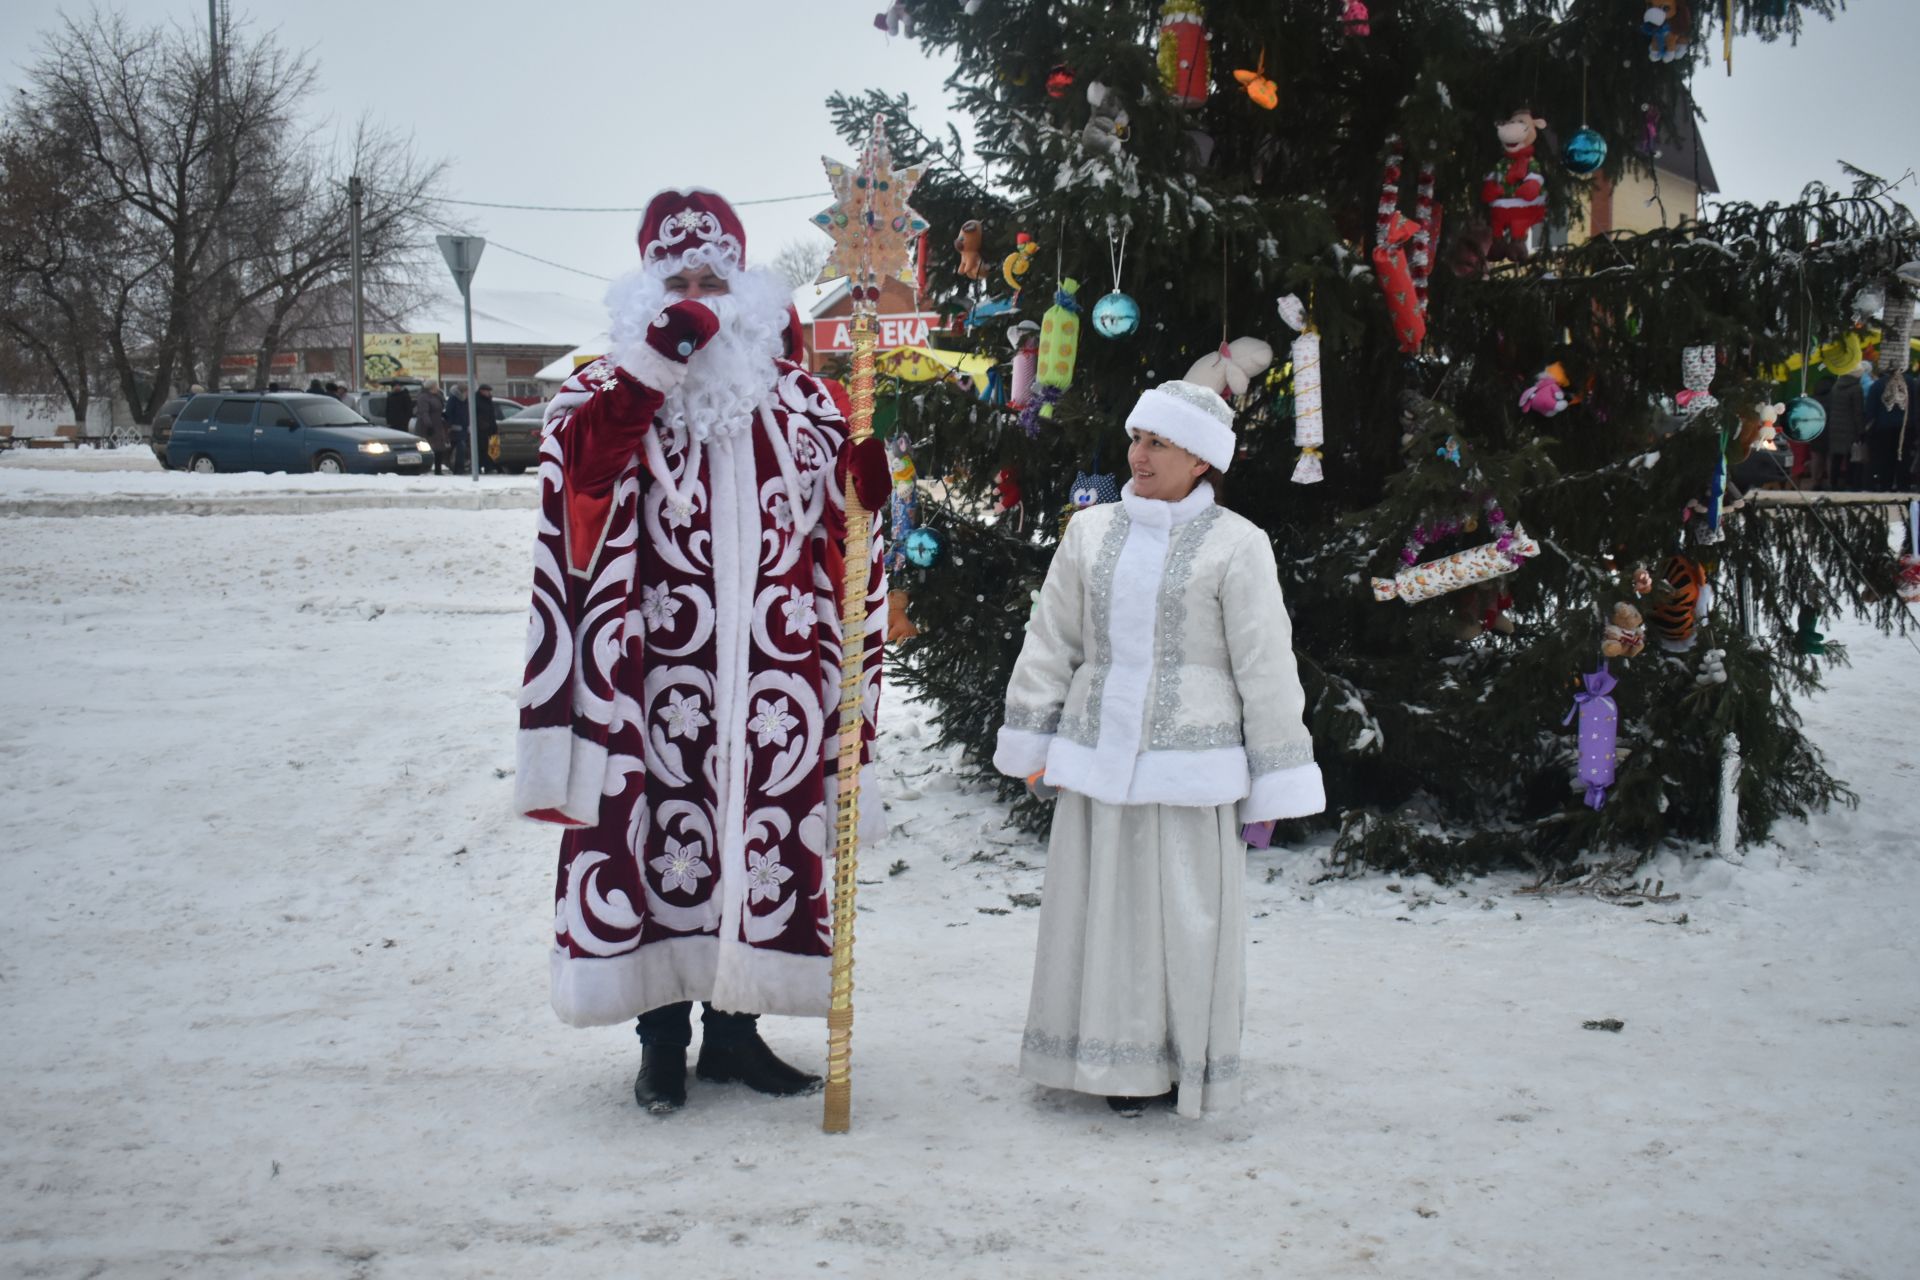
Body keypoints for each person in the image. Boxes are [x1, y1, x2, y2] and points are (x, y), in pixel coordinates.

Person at [515, 188, 889, 1116]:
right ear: (645, 294)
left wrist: (862, 497)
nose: (697, 301)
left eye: (712, 282)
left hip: (772, 672)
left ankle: (737, 1036)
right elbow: (582, 473)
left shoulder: (803, 400)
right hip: (650, 675)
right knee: (658, 838)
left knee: (757, 841)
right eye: (676, 283)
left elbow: (836, 539)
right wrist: (659, 359)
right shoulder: (605, 390)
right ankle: (659, 1042)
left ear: (749, 291)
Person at [991, 381, 1326, 1119]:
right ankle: (1104, 1060)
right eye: (1136, 439)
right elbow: (1052, 639)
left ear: (1201, 461)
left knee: (1182, 918)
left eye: (1157, 443)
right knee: (1099, 912)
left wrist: (1277, 774)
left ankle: (1178, 1060)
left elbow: (1266, 667)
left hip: (1189, 768)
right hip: (1094, 756)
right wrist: (1035, 735)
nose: (1137, 455)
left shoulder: (1237, 545)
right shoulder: (1090, 534)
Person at [414, 379, 450, 475]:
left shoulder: (437, 396)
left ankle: (438, 469)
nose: (438, 387)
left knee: (439, 448)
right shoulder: (423, 397)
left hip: (438, 424)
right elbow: (423, 412)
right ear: (431, 387)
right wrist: (429, 426)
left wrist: (443, 415)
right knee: (426, 447)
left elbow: (439, 408)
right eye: (436, 386)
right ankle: (421, 468)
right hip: (427, 426)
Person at [446, 383, 471, 474]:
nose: (468, 393)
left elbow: (467, 413)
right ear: (463, 391)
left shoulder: (465, 400)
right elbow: (449, 413)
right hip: (456, 428)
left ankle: (459, 468)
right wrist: (451, 425)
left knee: (461, 449)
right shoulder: (453, 399)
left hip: (464, 427)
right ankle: (458, 469)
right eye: (467, 391)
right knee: (459, 448)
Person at [475, 384, 500, 473]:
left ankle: (489, 467)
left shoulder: (489, 400)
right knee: (481, 449)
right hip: (480, 430)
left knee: (492, 449)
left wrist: (494, 427)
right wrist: (481, 424)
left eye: (489, 391)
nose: (489, 393)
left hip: (491, 428)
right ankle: (478, 468)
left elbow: (492, 415)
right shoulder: (476, 400)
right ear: (482, 391)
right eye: (487, 391)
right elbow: (475, 415)